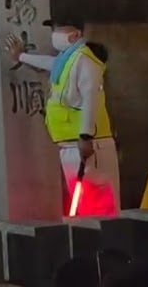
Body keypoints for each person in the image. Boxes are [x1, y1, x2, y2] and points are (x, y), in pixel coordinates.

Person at [6, 19, 119, 216]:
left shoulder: (85, 60)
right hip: (71, 146)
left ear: (75, 34)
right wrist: (21, 56)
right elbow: (50, 63)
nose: (54, 34)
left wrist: (85, 137)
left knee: (99, 207)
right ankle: (90, 244)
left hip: (90, 146)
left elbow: (90, 97)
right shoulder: (67, 60)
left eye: (58, 29)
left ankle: (105, 246)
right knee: (84, 206)